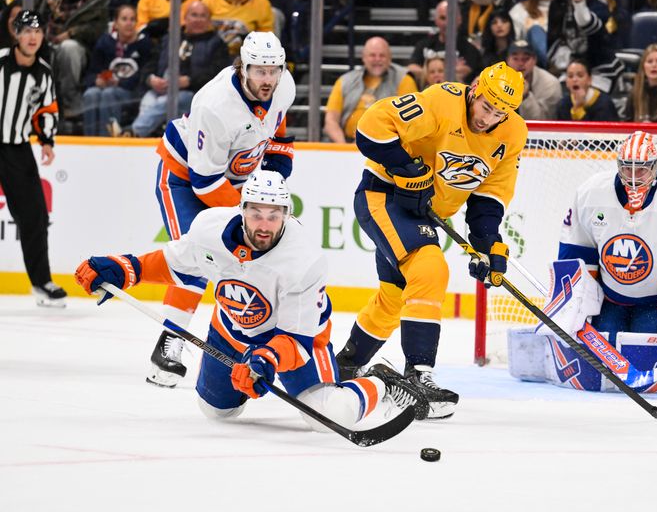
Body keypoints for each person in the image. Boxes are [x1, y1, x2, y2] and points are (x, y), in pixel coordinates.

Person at [74, 170, 427, 429]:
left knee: (328, 416)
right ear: (241, 210)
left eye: (273, 216)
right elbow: (174, 263)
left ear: (286, 216)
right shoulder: (209, 230)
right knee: (218, 412)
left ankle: (381, 382)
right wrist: (124, 269)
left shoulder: (303, 260)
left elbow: (298, 338)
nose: (264, 224)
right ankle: (238, 384)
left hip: (295, 343)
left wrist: (265, 361)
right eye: (256, 213)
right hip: (231, 333)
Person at [334, 62, 527, 419]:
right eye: (486, 107)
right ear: (474, 91)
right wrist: (407, 168)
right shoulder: (441, 101)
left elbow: (489, 195)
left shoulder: (512, 133)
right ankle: (418, 375)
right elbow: (371, 128)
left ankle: (345, 365)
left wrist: (487, 243)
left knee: (395, 297)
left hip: (422, 212)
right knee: (430, 268)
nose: (489, 119)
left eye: (500, 113)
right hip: (383, 196)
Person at [146, 31, 296, 388]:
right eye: (260, 71)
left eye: (274, 70)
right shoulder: (215, 105)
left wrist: (273, 179)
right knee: (196, 255)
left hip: (234, 180)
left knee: (255, 262)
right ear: (243, 67)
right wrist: (249, 211)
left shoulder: (283, 84)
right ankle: (170, 342)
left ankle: (253, 345)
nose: (268, 79)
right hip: (184, 177)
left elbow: (278, 129)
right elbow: (204, 183)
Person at [556, 131, 657, 362]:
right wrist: (577, 301)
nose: (632, 177)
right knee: (604, 351)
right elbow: (577, 250)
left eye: (641, 169)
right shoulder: (591, 193)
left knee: (643, 353)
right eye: (626, 168)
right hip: (608, 299)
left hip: (655, 302)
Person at [0, 10, 64, 307]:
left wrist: (47, 140)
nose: (32, 37)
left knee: (35, 216)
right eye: (26, 31)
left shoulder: (43, 71)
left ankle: (41, 282)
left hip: (16, 149)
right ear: (16, 33)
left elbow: (46, 109)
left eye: (37, 32)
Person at [131, 1, 230, 138]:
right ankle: (140, 142)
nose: (198, 19)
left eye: (203, 16)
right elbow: (150, 64)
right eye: (194, 15)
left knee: (167, 102)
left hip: (193, 94)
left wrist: (189, 81)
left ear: (209, 20)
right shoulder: (169, 39)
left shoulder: (216, 43)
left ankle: (132, 133)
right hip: (160, 89)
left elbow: (218, 73)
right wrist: (151, 79)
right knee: (148, 102)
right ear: (186, 17)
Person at [323, 36, 416, 144]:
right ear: (363, 57)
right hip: (347, 144)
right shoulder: (344, 81)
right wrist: (345, 148)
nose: (377, 59)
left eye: (382, 55)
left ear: (390, 58)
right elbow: (330, 121)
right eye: (372, 55)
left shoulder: (404, 80)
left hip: (386, 146)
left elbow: (410, 123)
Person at [37, 0, 111, 120]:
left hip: (80, 49)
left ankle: (70, 101)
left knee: (68, 48)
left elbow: (98, 30)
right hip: (46, 44)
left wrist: (72, 33)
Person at [81, 5, 151, 136]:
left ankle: (107, 141)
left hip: (132, 93)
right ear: (116, 23)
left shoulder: (144, 44)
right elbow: (91, 73)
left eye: (132, 19)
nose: (129, 23)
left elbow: (144, 75)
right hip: (108, 89)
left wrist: (119, 83)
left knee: (109, 94)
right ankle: (89, 140)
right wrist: (96, 80)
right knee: (91, 94)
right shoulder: (105, 42)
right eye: (124, 19)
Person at [546, 0, 622, 93]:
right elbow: (553, 40)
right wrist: (569, 61)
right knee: (562, 97)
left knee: (592, 100)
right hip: (570, 68)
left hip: (600, 69)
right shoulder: (557, 4)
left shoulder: (597, 2)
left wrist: (579, 5)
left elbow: (590, 28)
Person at [407, 0, 482, 85]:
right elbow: (411, 68)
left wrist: (430, 71)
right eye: (443, 18)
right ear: (436, 20)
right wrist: (449, 69)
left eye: (451, 18)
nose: (447, 23)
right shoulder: (424, 44)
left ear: (459, 20)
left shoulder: (469, 48)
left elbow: (463, 72)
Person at [201, 0, 273, 55]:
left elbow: (266, 37)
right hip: (209, 54)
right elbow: (199, 28)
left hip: (244, 56)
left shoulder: (261, 2)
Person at [505, 38, 561, 120]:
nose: (520, 64)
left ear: (535, 60)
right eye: (515, 59)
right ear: (507, 61)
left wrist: (526, 96)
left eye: (525, 59)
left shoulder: (550, 84)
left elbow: (543, 121)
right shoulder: (497, 80)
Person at [509, 0, 556, 66]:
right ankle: (550, 66)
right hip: (531, 61)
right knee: (536, 30)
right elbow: (516, 42)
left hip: (560, 56)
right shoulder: (519, 10)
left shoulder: (567, 7)